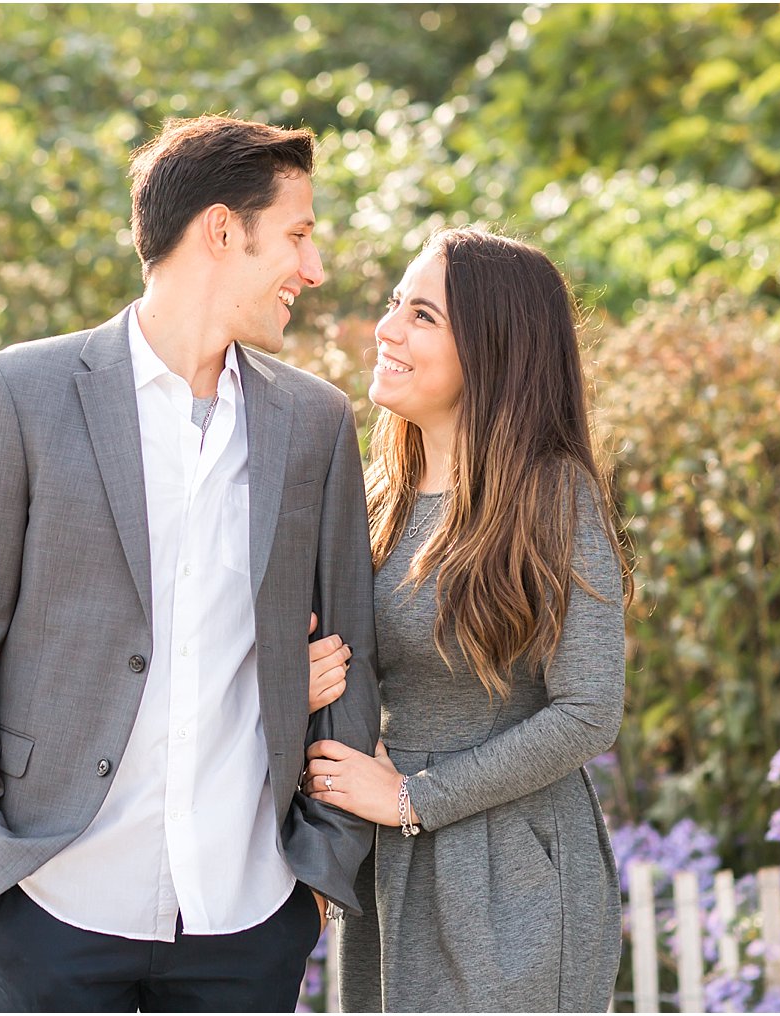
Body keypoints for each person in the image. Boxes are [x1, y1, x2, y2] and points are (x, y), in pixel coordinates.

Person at [0, 114, 381, 1013]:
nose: (312, 271)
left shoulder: (314, 422)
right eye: (299, 236)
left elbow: (351, 649)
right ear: (222, 231)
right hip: (53, 898)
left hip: (248, 912)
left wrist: (319, 866)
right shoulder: (18, 394)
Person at [303, 225, 632, 1012]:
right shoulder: (376, 494)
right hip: (387, 867)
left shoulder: (553, 496)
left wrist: (415, 797)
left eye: (421, 316)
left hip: (508, 876)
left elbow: (589, 712)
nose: (385, 330)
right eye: (394, 306)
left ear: (493, 349)